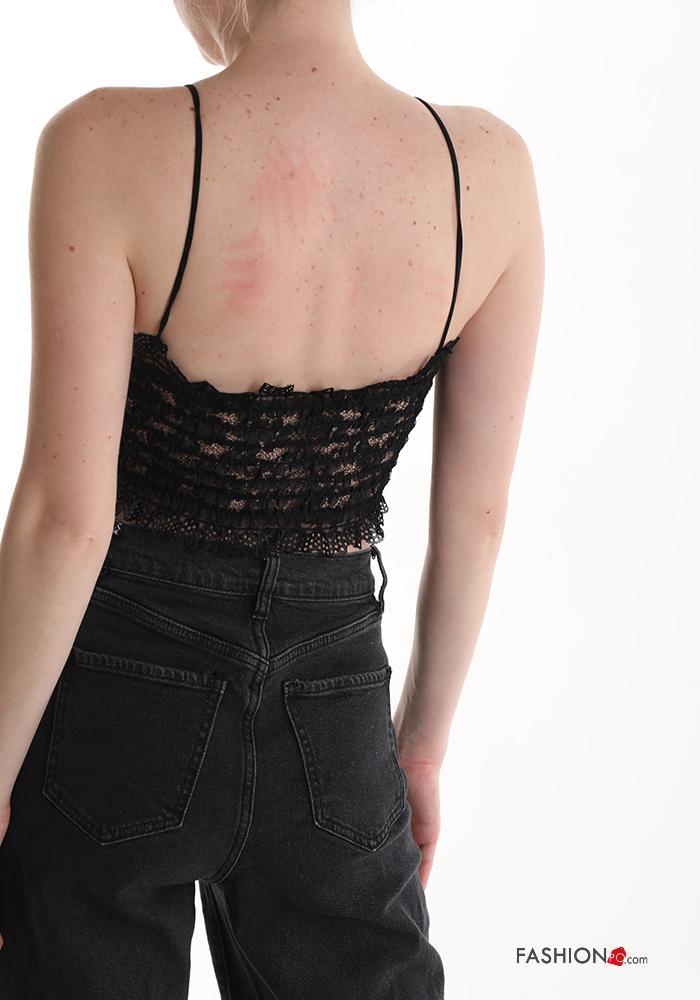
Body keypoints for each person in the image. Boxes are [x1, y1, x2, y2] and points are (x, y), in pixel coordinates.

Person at [0, 0, 544, 996]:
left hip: (120, 686)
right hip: (335, 704)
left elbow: (64, 522)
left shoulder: (105, 141)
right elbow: (476, 521)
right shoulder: (488, 171)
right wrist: (418, 752)